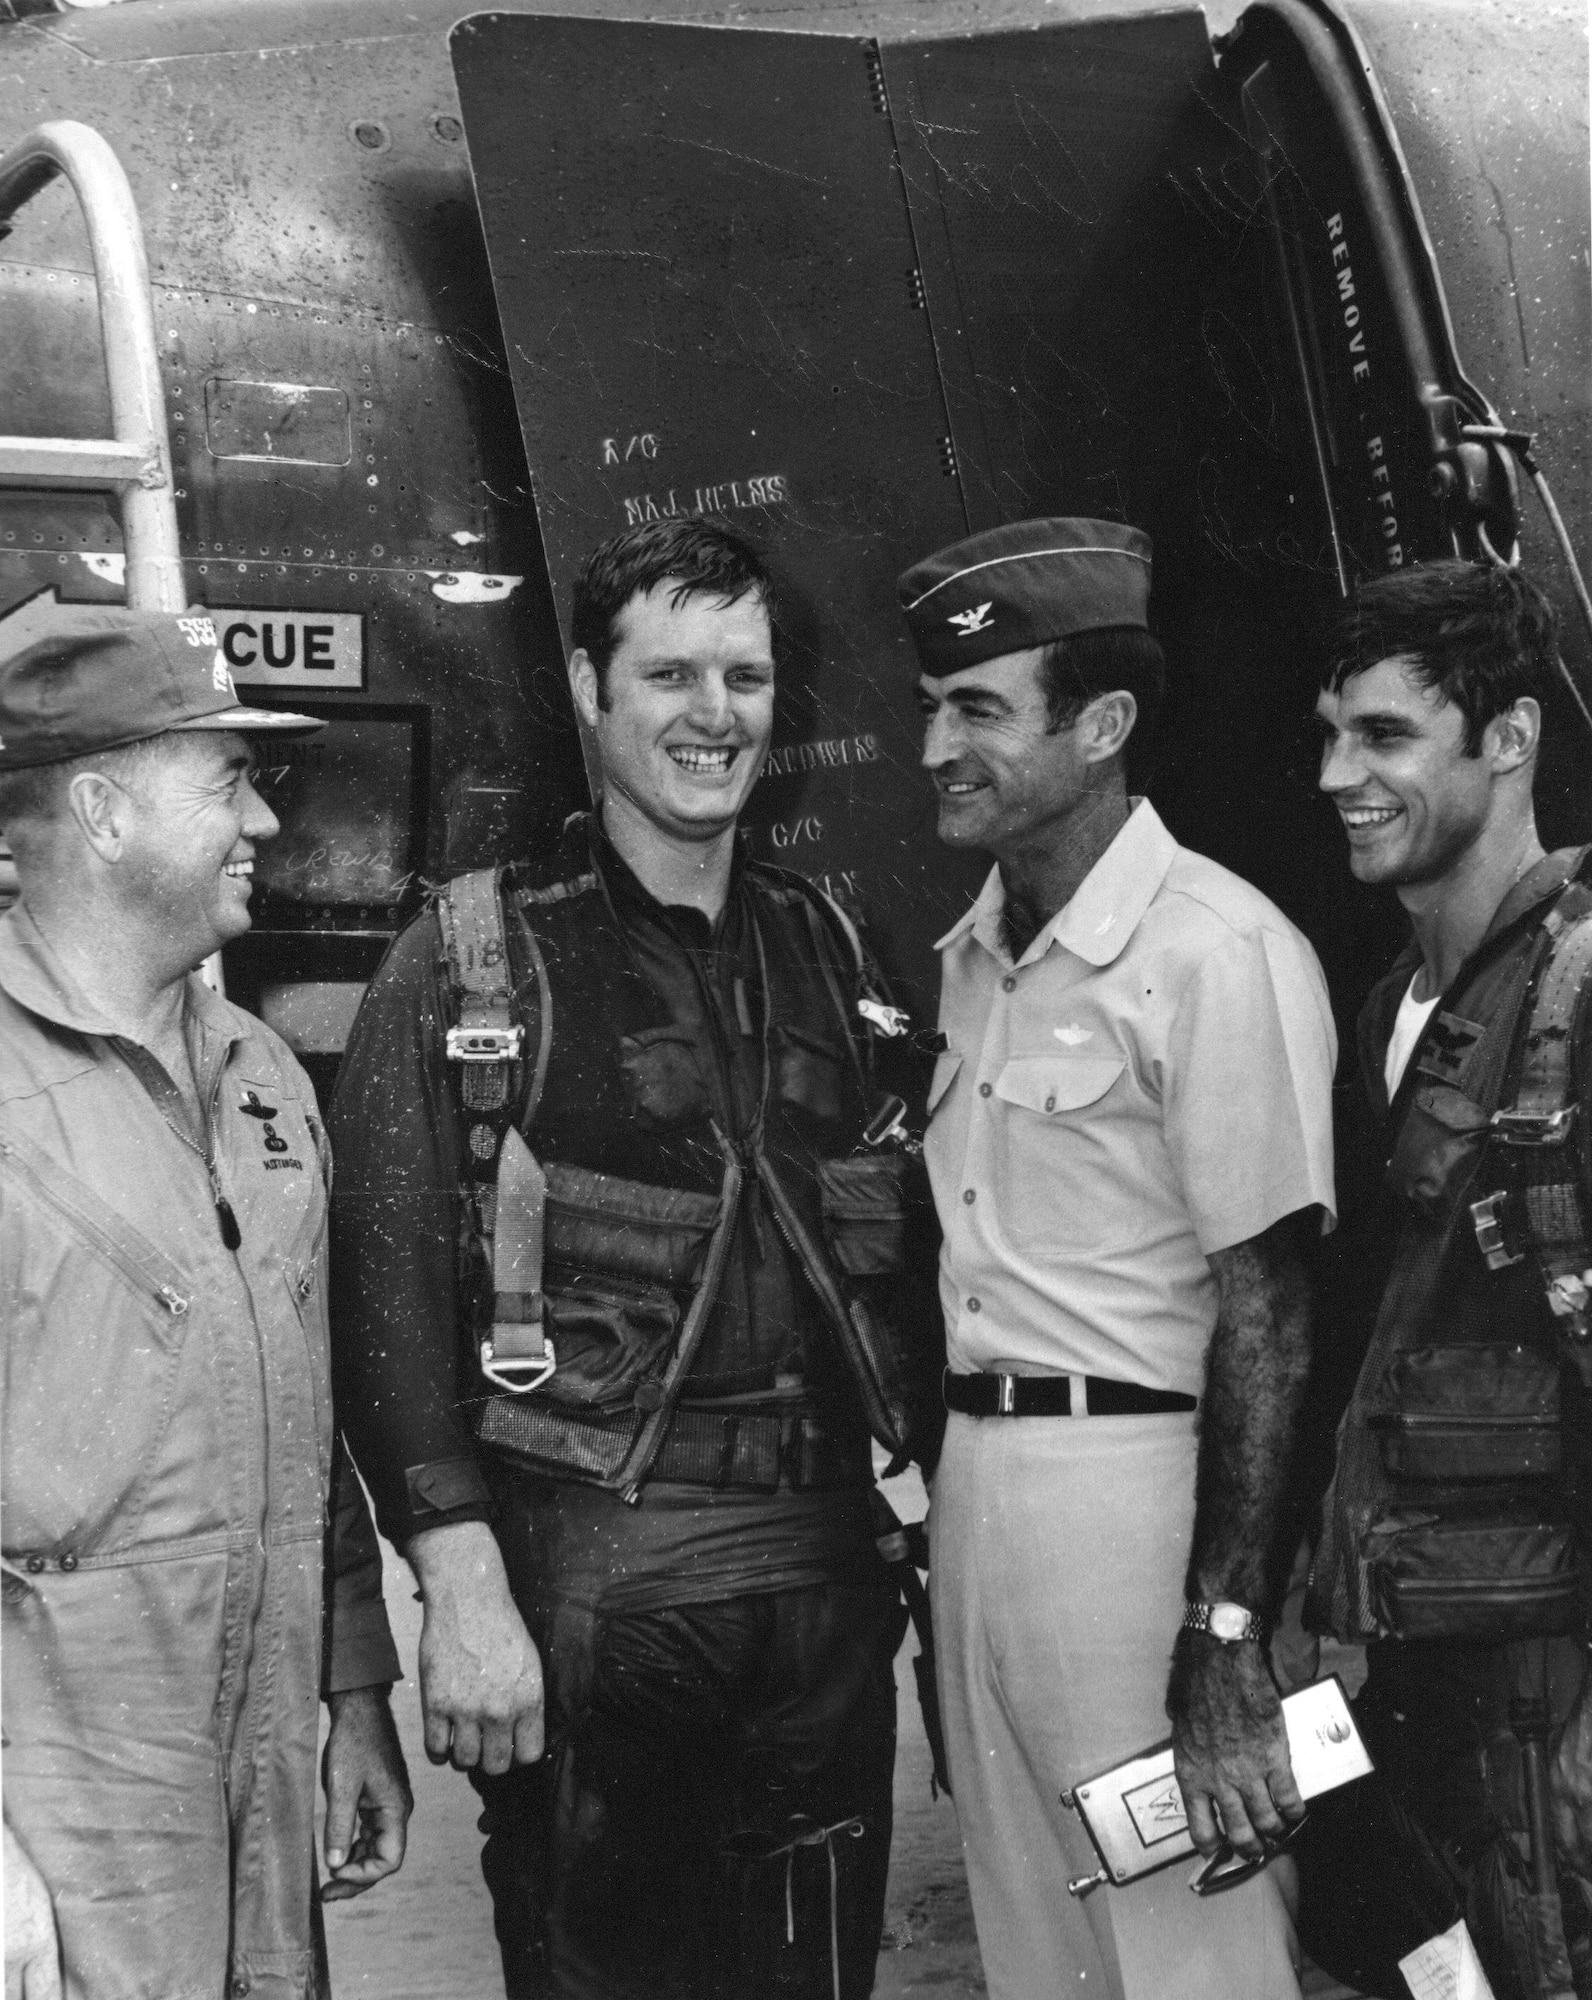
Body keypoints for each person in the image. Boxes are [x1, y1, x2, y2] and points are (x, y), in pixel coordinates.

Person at [328, 516, 940, 2000]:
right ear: (590, 693)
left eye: (745, 675)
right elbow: (382, 1300)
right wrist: (461, 1593)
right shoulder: (473, 963)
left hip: (822, 1579)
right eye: (669, 674)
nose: (713, 714)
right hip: (593, 1582)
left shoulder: (834, 949)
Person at [898, 517, 1338, 1998]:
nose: (934, 748)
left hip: (1141, 1511)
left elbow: (1270, 1313)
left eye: (977, 709)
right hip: (981, 1501)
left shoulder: (1217, 951)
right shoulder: (970, 958)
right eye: (931, 708)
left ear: (1103, 725)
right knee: (1042, 1957)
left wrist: (1224, 1630)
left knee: (1188, 1953)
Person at [0, 595, 410, 2000]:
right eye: (227, 781)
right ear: (104, 808)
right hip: (63, 1815)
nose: (267, 826)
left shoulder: (260, 1076)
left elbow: (300, 1404)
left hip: (262, 1777)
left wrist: (357, 1689)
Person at [1304, 559, 1592, 1996]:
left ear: (1512, 739)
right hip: (1432, 1665)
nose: (1337, 773)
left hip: (1557, 1687)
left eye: (1384, 737)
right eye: (1331, 735)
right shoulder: (1390, 1012)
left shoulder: (1579, 995)